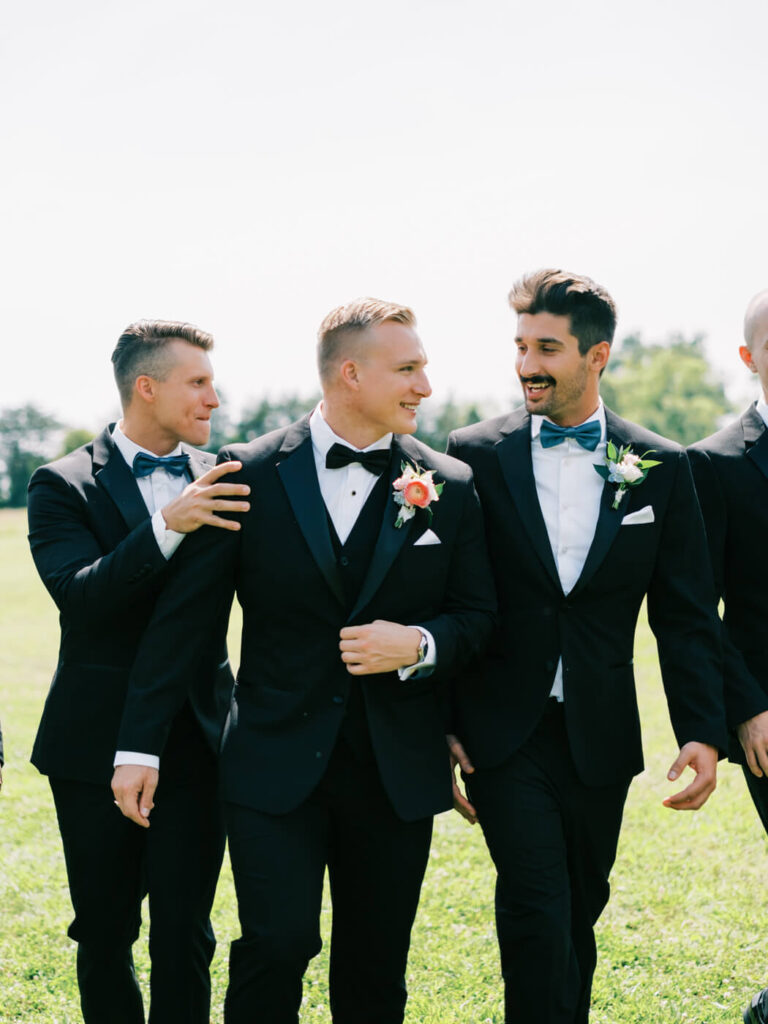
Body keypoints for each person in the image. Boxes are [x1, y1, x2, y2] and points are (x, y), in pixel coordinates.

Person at [111, 297, 497, 1024]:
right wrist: (139, 746)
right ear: (350, 374)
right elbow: (184, 628)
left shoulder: (451, 484)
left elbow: (479, 618)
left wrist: (419, 645)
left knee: (376, 967)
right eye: (408, 369)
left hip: (397, 773)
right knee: (277, 946)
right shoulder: (246, 472)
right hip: (272, 764)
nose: (425, 386)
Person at [446, 268, 726, 1024]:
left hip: (599, 734)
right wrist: (436, 720)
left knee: (579, 907)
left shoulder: (662, 465)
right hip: (503, 731)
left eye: (547, 348)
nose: (527, 365)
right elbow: (446, 595)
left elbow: (687, 613)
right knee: (536, 905)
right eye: (520, 346)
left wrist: (703, 730)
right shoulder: (472, 453)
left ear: (597, 356)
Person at [27, 319, 250, 1024]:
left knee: (186, 931)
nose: (215, 399)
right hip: (92, 744)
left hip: (197, 737)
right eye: (199, 383)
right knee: (104, 930)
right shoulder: (60, 484)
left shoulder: (229, 479)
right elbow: (82, 596)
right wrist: (168, 525)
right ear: (146, 388)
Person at [687, 288, 768, 1024]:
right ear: (749, 358)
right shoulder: (712, 464)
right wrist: (745, 707)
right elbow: (698, 609)